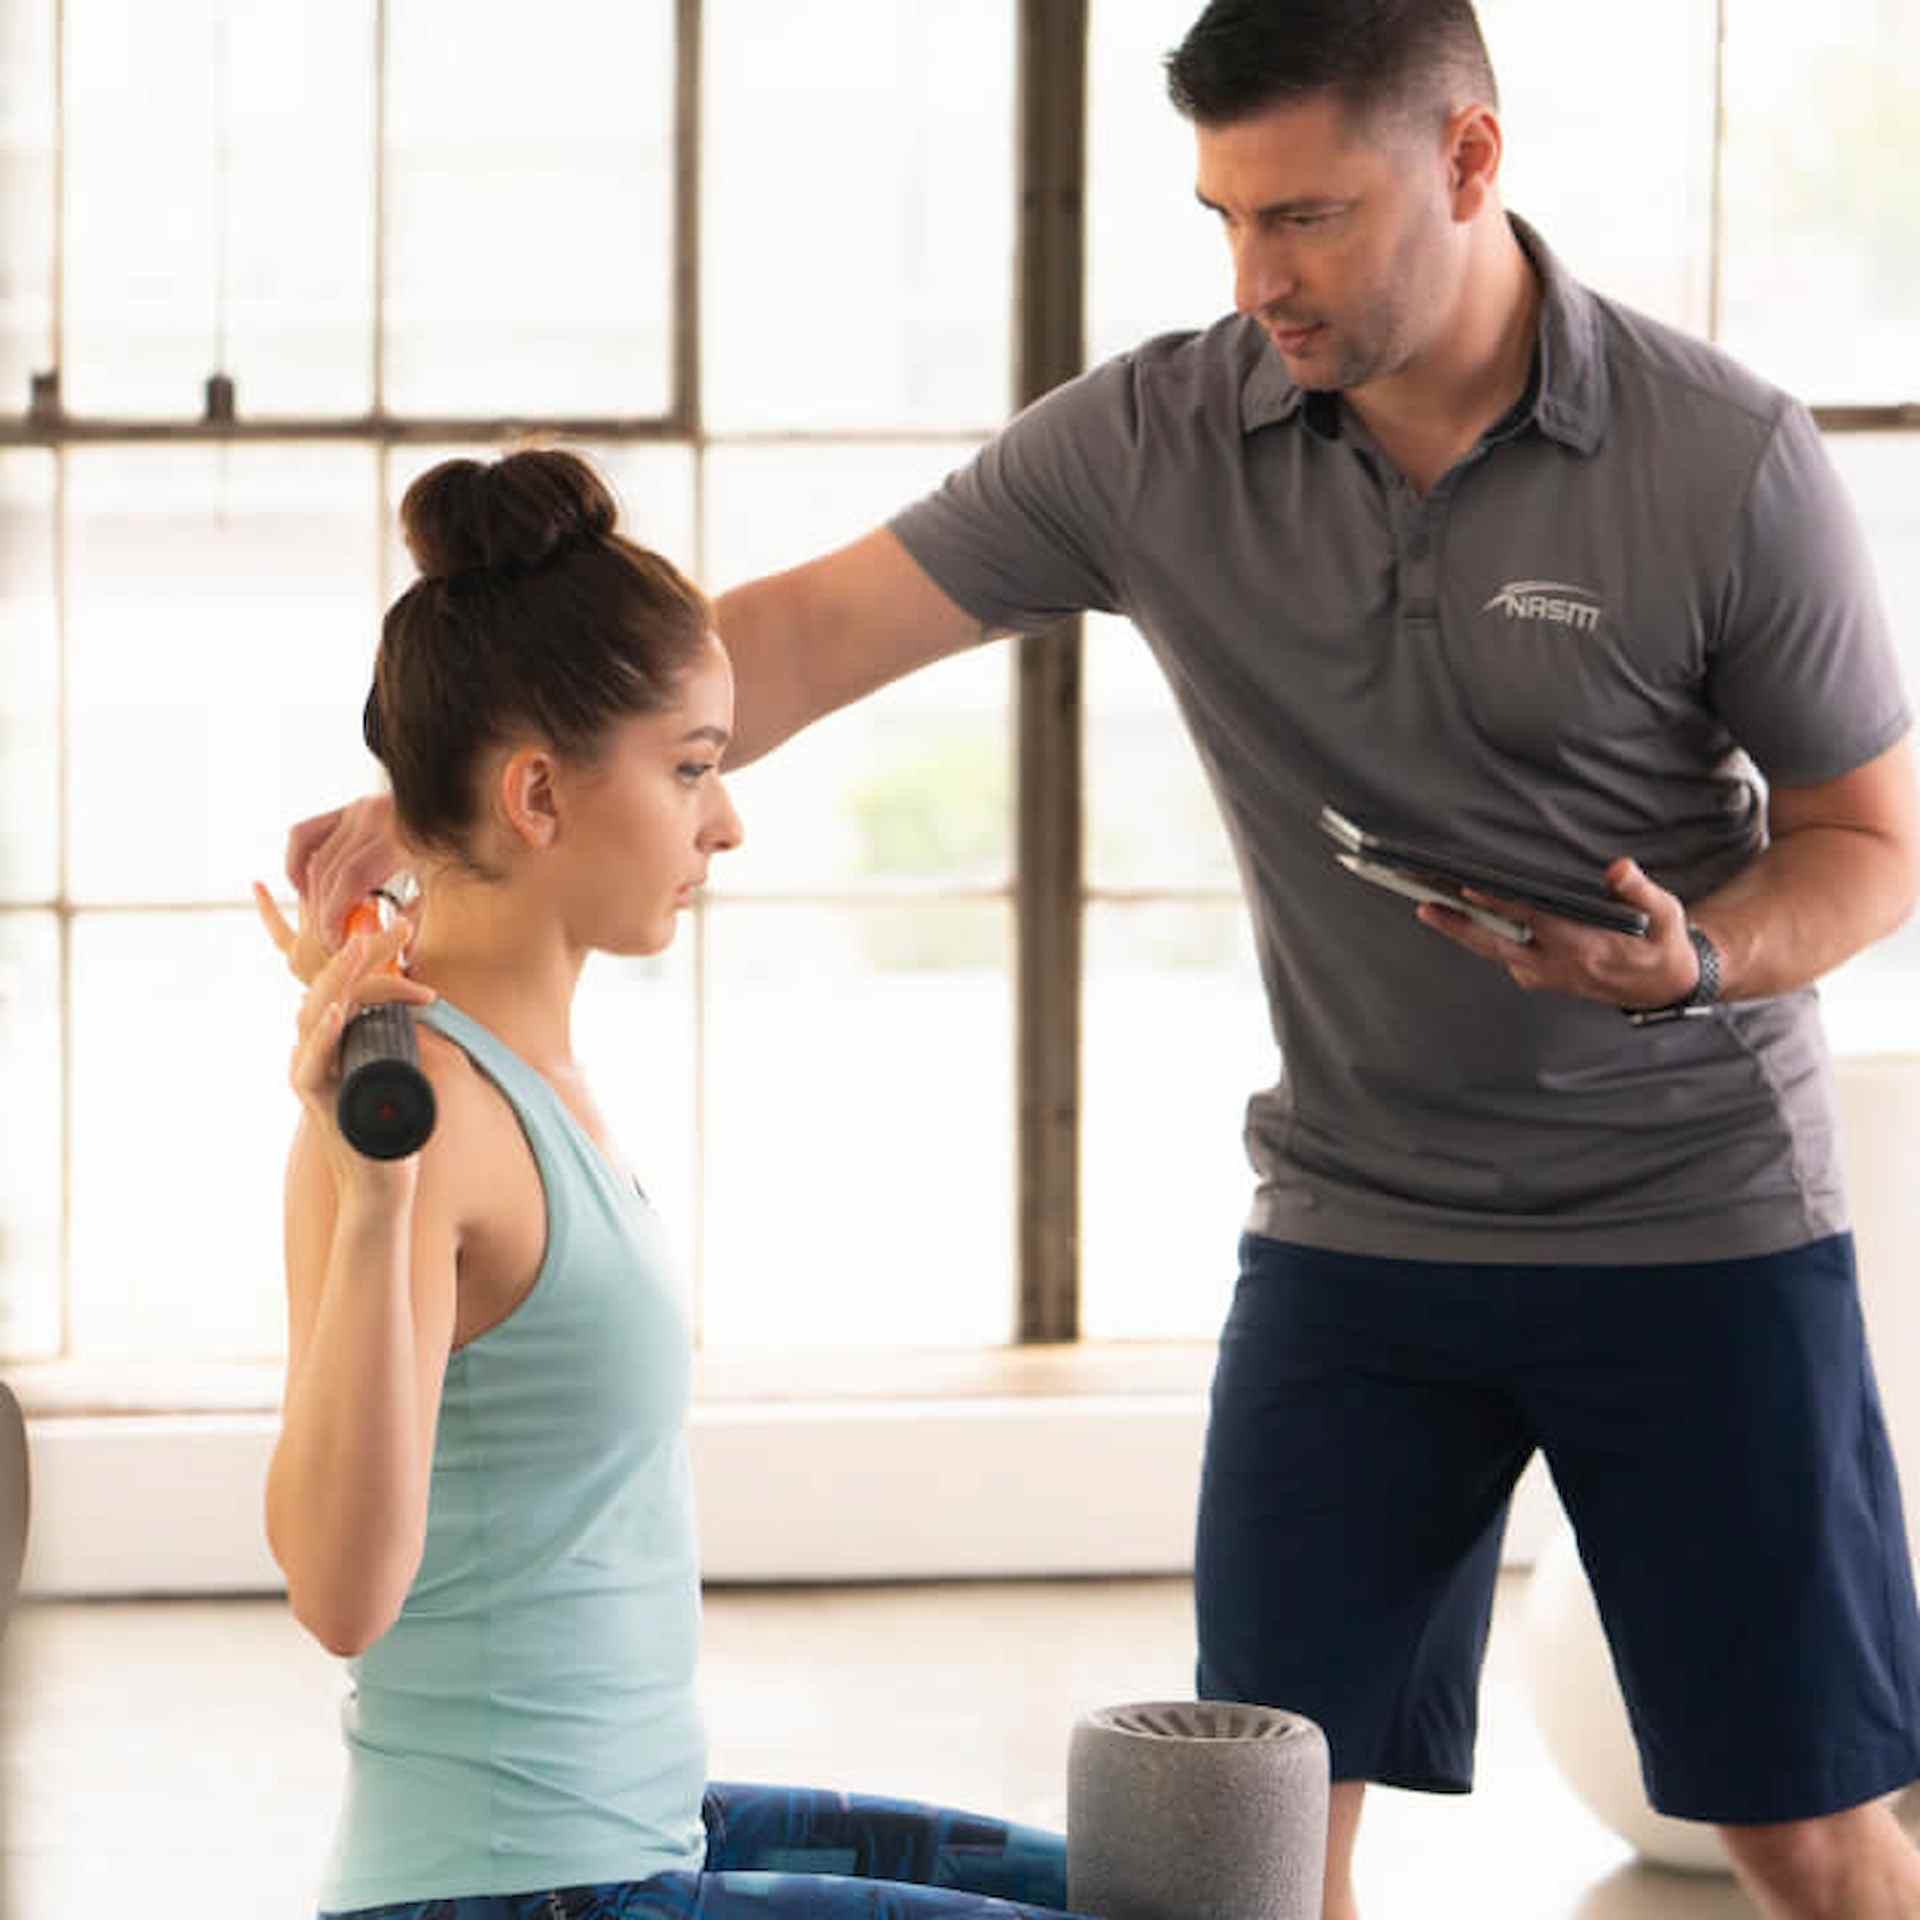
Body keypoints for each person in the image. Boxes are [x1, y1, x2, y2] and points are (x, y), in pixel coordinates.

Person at [287, 5, 1920, 1915]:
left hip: (1691, 1222)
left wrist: (1700, 962)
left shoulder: (1724, 458)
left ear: (1470, 162)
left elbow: (1869, 842)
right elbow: (799, 641)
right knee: (1240, 1838)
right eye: (1223, 218)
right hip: (1358, 1232)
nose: (1256, 281)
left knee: (1804, 1830)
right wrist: (460, 784)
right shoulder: (1161, 434)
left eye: (1304, 218)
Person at [260, 449, 1087, 1920]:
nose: (726, 820)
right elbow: (340, 1594)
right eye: (693, 767)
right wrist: (375, 1194)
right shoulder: (418, 1116)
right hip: (521, 1896)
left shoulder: (503, 1065)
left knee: (1173, 1878)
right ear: (536, 794)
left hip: (629, 1836)